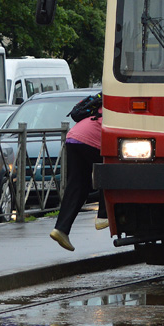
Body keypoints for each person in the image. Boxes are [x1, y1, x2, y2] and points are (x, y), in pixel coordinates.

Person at [49, 100, 108, 251]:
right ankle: (103, 216)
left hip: (73, 137)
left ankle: (61, 229)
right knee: (111, 167)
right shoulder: (117, 102)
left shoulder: (103, 101)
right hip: (92, 140)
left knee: (78, 184)